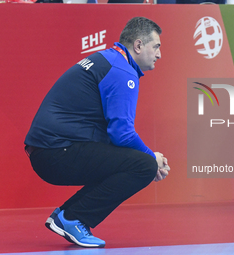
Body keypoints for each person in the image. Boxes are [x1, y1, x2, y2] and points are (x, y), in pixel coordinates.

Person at [24, 17, 169, 248]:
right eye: (156, 46)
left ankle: (68, 216)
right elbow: (122, 134)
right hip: (55, 153)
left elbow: (114, 136)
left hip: (48, 151)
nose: (159, 54)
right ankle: (73, 218)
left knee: (131, 161)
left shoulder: (108, 59)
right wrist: (152, 157)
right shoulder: (123, 71)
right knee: (143, 165)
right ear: (139, 45)